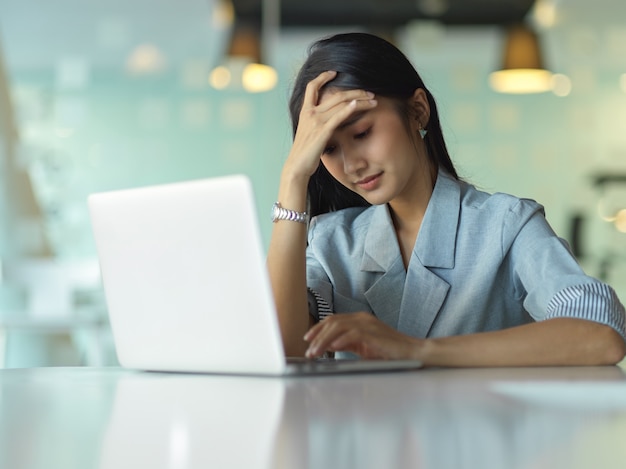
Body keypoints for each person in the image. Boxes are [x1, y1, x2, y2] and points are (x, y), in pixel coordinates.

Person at [266, 32, 626, 367]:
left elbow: (600, 334)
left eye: (362, 132)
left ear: (418, 110)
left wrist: (417, 351)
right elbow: (283, 348)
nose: (352, 164)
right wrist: (292, 179)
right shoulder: (331, 242)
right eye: (327, 148)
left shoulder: (507, 224)